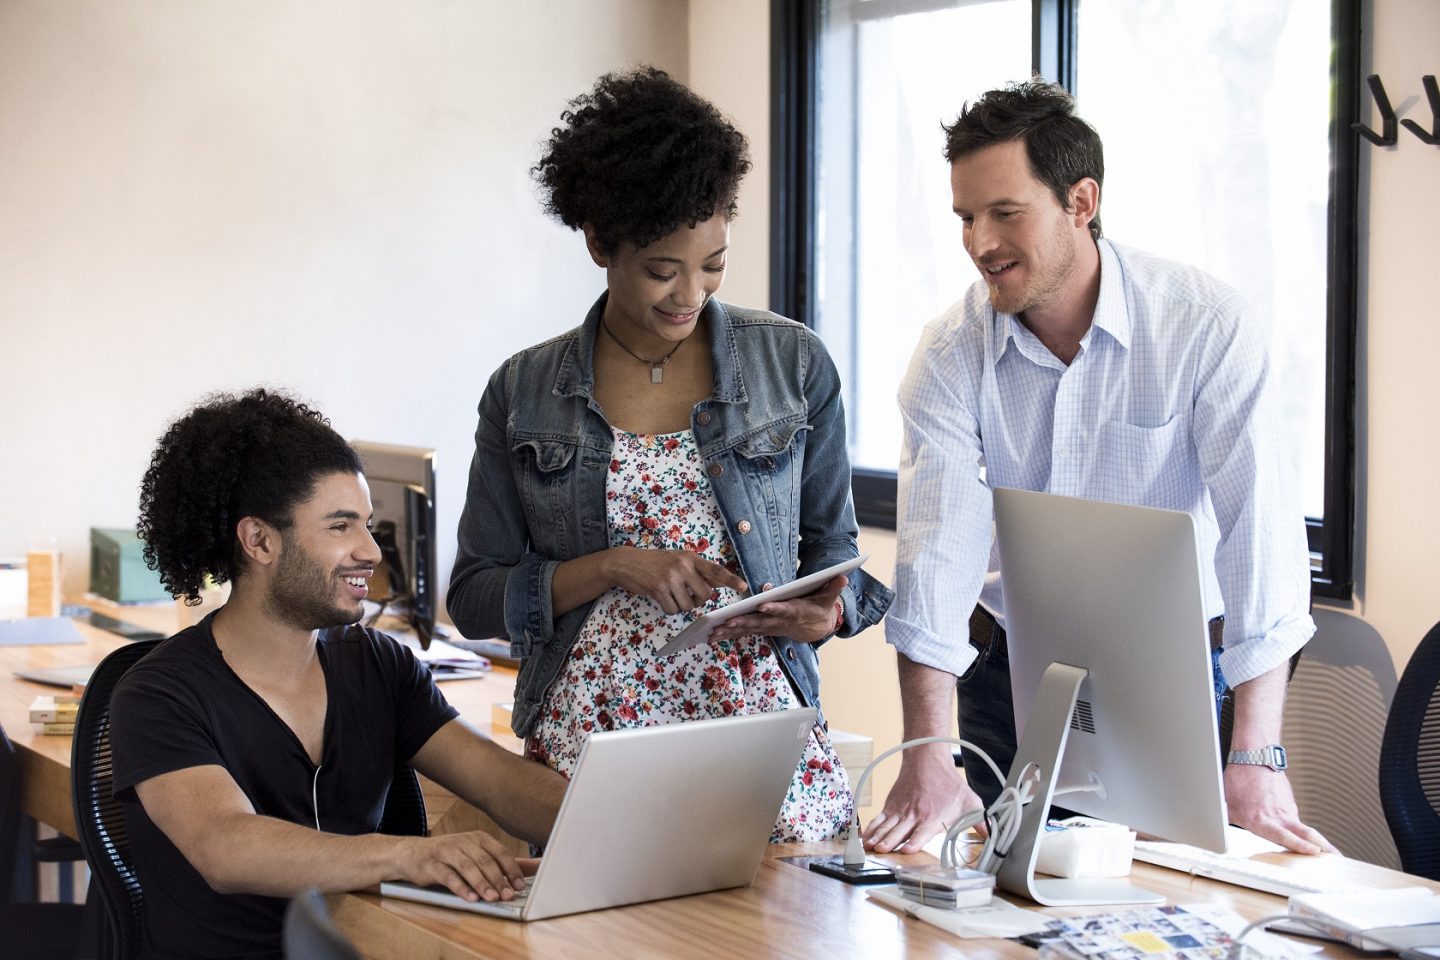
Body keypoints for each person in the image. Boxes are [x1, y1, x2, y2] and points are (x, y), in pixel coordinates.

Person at [865, 79, 1336, 857]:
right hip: (1006, 673)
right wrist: (928, 751)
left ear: (1081, 201)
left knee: (1167, 902)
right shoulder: (952, 353)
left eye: (1004, 213)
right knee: (976, 898)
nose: (980, 242)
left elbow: (1260, 535)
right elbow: (936, 554)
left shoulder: (1204, 326)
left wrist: (1255, 755)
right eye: (966, 217)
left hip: (1173, 677)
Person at [446, 66, 893, 842]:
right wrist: (618, 565)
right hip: (590, 745)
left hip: (760, 745)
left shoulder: (794, 366)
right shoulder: (523, 391)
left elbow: (836, 558)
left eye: (713, 263)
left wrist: (826, 613)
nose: (690, 294)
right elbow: (476, 596)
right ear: (597, 243)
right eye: (662, 269)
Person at [111, 388, 568, 960]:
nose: (372, 551)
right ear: (259, 540)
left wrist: (620, 820)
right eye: (340, 526)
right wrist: (406, 854)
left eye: (367, 524)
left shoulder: (380, 664)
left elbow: (499, 783)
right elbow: (225, 846)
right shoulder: (159, 694)